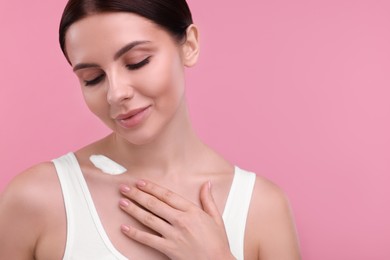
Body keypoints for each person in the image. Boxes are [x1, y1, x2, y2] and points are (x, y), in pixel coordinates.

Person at [0, 0, 301, 259]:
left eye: (137, 62)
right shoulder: (36, 199)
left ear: (190, 46)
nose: (115, 93)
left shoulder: (262, 208)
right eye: (92, 78)